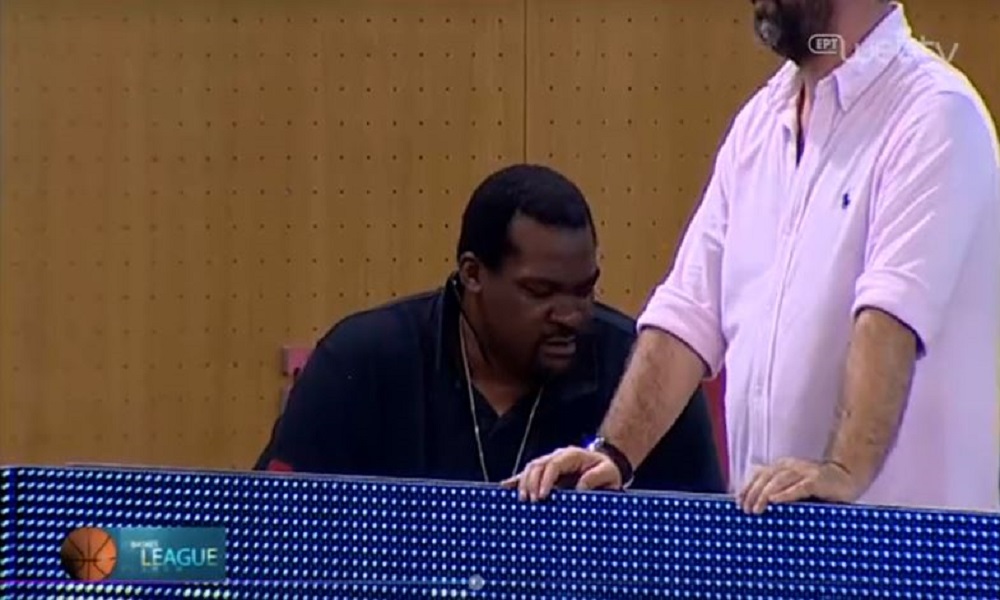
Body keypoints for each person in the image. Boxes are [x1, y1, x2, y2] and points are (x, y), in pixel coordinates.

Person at [504, 0, 1000, 513]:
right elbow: (688, 311)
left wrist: (843, 470)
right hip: (771, 534)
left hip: (905, 544)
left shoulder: (935, 113)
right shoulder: (761, 121)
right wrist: (613, 453)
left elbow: (890, 314)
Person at [253, 164, 726, 494]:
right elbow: (264, 526)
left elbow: (704, 551)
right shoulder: (361, 363)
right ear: (473, 274)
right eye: (540, 292)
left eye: (584, 291)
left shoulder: (641, 377)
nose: (571, 315)